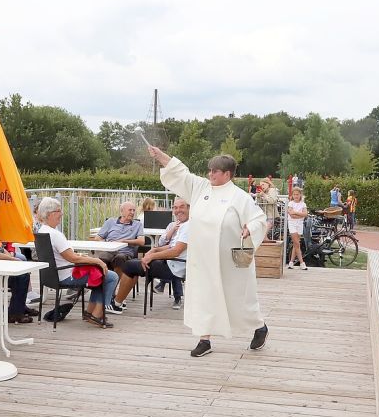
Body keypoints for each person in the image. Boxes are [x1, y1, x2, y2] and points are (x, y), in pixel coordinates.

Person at [149, 146, 269, 358]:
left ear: (227, 174)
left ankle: (259, 326)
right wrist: (161, 157)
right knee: (203, 297)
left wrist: (250, 228)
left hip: (229, 263)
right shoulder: (201, 188)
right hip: (202, 259)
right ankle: (204, 340)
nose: (210, 174)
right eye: (209, 170)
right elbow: (180, 173)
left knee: (238, 299)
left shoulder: (239, 197)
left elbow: (259, 219)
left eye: (215, 171)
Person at [37, 197, 120, 329]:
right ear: (51, 214)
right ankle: (97, 315)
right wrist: (97, 260)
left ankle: (90, 313)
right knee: (111, 277)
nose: (61, 214)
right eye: (59, 211)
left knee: (99, 275)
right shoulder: (55, 234)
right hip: (66, 275)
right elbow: (73, 259)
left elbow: (65, 255)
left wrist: (81, 257)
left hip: (51, 276)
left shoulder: (42, 231)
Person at [114, 198, 189, 310]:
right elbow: (171, 246)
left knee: (129, 266)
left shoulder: (189, 226)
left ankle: (116, 303)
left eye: (181, 207)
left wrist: (152, 256)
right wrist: (155, 250)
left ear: (189, 208)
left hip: (175, 267)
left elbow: (176, 251)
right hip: (172, 263)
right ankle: (118, 301)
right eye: (175, 207)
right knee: (133, 265)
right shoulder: (183, 224)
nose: (178, 210)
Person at [93, 201, 145, 275]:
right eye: (130, 210)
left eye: (134, 210)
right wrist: (107, 244)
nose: (132, 212)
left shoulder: (137, 224)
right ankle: (101, 283)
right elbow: (97, 238)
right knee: (102, 257)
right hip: (109, 250)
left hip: (125, 252)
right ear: (122, 211)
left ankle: (115, 284)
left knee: (120, 258)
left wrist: (124, 241)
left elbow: (141, 241)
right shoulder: (110, 222)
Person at [286, 187, 308, 270]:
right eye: (294, 194)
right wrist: (300, 214)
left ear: (300, 195)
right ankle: (302, 262)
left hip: (300, 224)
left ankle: (291, 262)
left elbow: (305, 214)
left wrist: (295, 212)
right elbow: (291, 215)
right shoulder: (290, 203)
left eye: (297, 194)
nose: (296, 196)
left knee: (296, 244)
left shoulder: (303, 204)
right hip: (292, 224)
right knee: (297, 243)